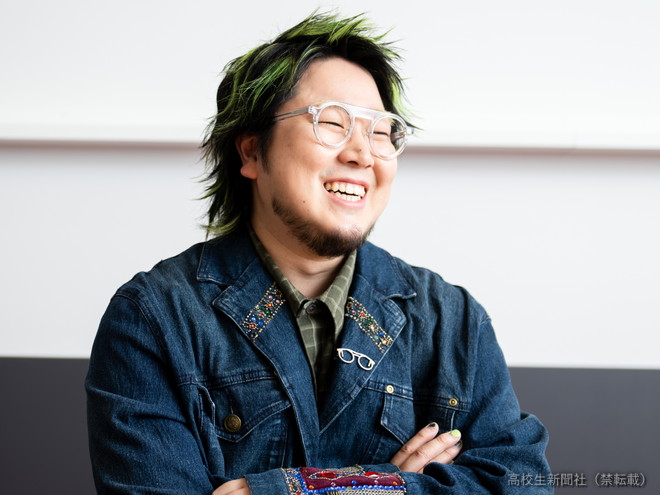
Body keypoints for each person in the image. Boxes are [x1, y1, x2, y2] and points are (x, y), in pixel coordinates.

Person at [86, 12, 551, 495]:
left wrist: (297, 489)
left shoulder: (451, 321)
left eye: (381, 132)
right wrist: (397, 483)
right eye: (332, 123)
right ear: (251, 152)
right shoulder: (155, 318)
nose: (362, 154)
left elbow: (521, 485)